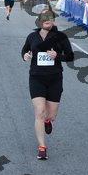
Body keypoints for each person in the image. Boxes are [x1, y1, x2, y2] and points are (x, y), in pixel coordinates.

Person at [21, 11, 75, 160]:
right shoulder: (32, 36)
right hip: (36, 78)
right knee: (39, 112)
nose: (47, 20)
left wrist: (58, 56)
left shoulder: (61, 37)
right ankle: (42, 147)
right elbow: (25, 50)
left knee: (51, 115)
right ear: (39, 21)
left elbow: (70, 56)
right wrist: (25, 56)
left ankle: (48, 121)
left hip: (54, 79)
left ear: (53, 21)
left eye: (50, 18)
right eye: (44, 18)